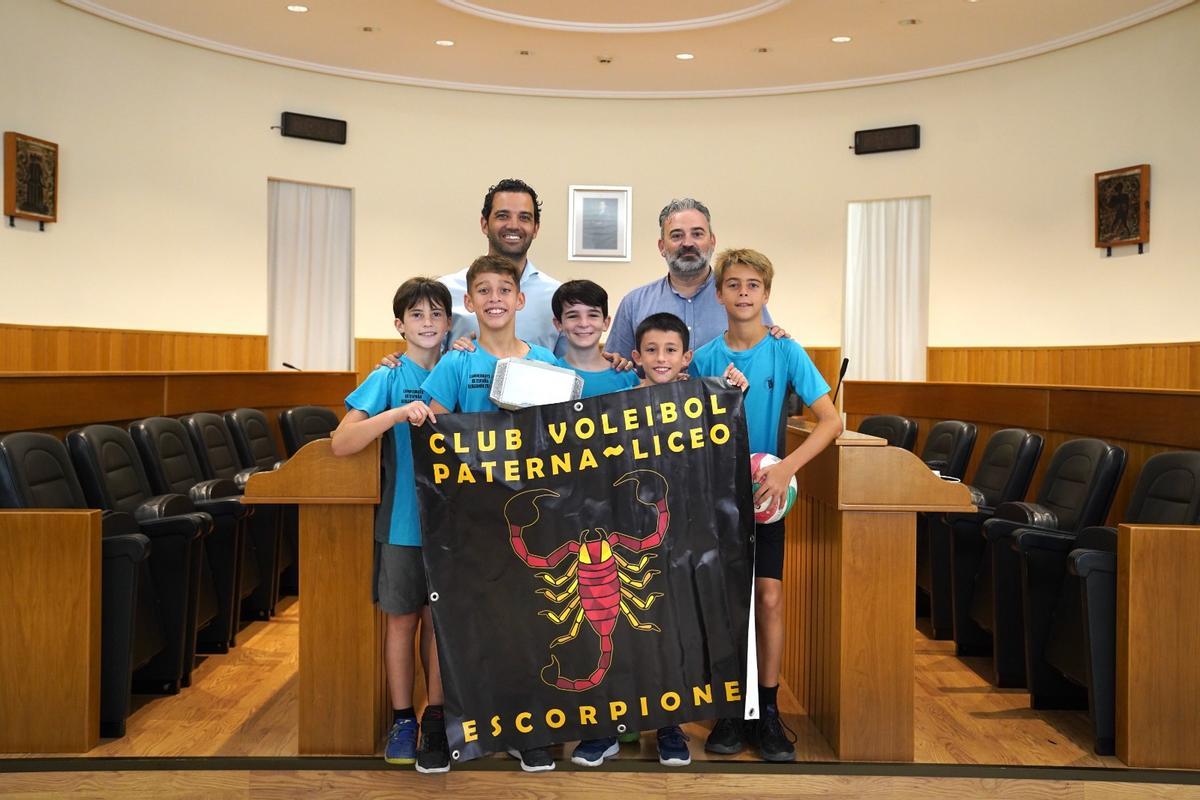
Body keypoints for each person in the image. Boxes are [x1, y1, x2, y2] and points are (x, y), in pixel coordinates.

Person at [569, 311, 746, 770]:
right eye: (651, 350)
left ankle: (671, 725)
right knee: (626, 635)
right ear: (635, 356)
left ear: (686, 356)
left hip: (683, 536)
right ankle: (607, 726)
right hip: (625, 534)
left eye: (671, 350)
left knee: (673, 632)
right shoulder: (617, 401)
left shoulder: (701, 400)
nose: (661, 358)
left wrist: (734, 392)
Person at [690, 248, 842, 762]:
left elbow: (832, 420)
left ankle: (768, 710)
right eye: (733, 285)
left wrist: (786, 467)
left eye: (753, 285)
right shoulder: (706, 356)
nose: (743, 294)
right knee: (725, 603)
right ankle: (732, 710)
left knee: (769, 598)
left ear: (767, 294)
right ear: (719, 294)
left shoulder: (786, 351)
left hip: (766, 494)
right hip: (717, 499)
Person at [329, 277, 451, 774]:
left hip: (452, 526)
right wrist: (398, 413)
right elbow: (342, 442)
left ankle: (436, 715)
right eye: (416, 316)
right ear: (399, 325)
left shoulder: (459, 367)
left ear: (449, 323)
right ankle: (404, 718)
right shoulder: (388, 375)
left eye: (436, 314)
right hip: (401, 523)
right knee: (402, 620)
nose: (427, 323)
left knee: (440, 626)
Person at [606, 199, 776, 361]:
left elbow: (766, 353)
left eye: (697, 234)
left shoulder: (740, 298)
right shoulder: (634, 304)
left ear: (712, 241)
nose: (687, 243)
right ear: (662, 246)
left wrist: (778, 337)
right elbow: (618, 371)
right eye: (677, 235)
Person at [551, 279, 638, 398]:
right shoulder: (550, 376)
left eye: (593, 315)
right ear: (558, 324)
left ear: (606, 323)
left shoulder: (627, 376)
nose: (583, 323)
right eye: (573, 316)